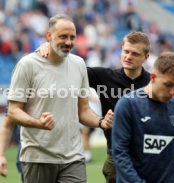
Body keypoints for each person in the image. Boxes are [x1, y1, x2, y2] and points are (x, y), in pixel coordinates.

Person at [0, 14, 114, 183]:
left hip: (73, 157)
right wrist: (38, 123)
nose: (68, 42)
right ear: (49, 36)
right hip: (38, 157)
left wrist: (101, 122)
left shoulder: (79, 64)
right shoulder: (27, 64)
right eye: (63, 36)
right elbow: (13, 112)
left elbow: (84, 110)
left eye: (72, 37)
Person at [37, 31, 151, 183]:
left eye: (135, 54)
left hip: (149, 158)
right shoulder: (104, 76)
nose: (128, 56)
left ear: (146, 57)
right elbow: (69, 67)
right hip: (117, 157)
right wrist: (51, 48)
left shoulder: (154, 83)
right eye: (126, 51)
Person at [112, 51, 174, 183]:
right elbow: (120, 154)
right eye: (168, 85)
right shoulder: (128, 104)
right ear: (153, 77)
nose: (173, 92)